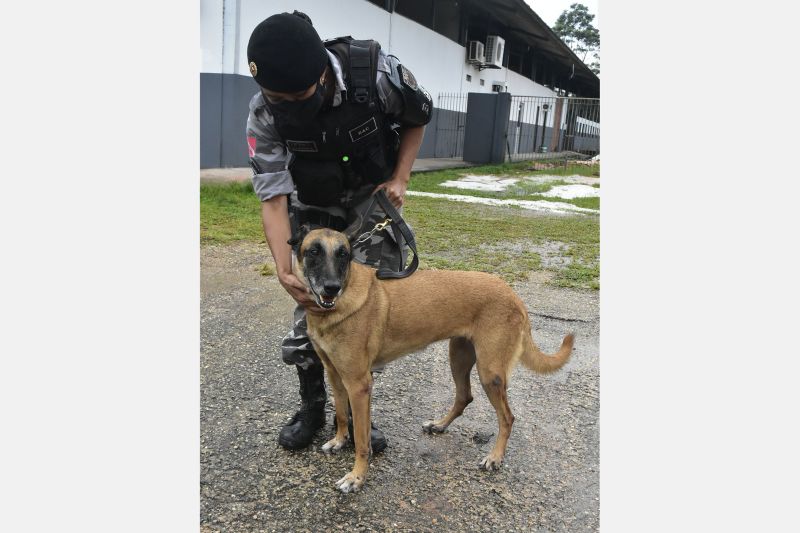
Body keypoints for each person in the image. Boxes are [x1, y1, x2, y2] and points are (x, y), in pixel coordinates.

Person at [245, 11, 432, 452]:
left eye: (298, 95)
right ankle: (313, 407)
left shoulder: (377, 73)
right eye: (277, 97)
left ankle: (357, 406)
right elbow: (272, 195)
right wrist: (282, 267)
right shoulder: (263, 111)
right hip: (312, 207)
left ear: (323, 73)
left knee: (369, 309)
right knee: (314, 304)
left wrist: (401, 177)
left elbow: (418, 115)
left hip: (371, 201)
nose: (287, 104)